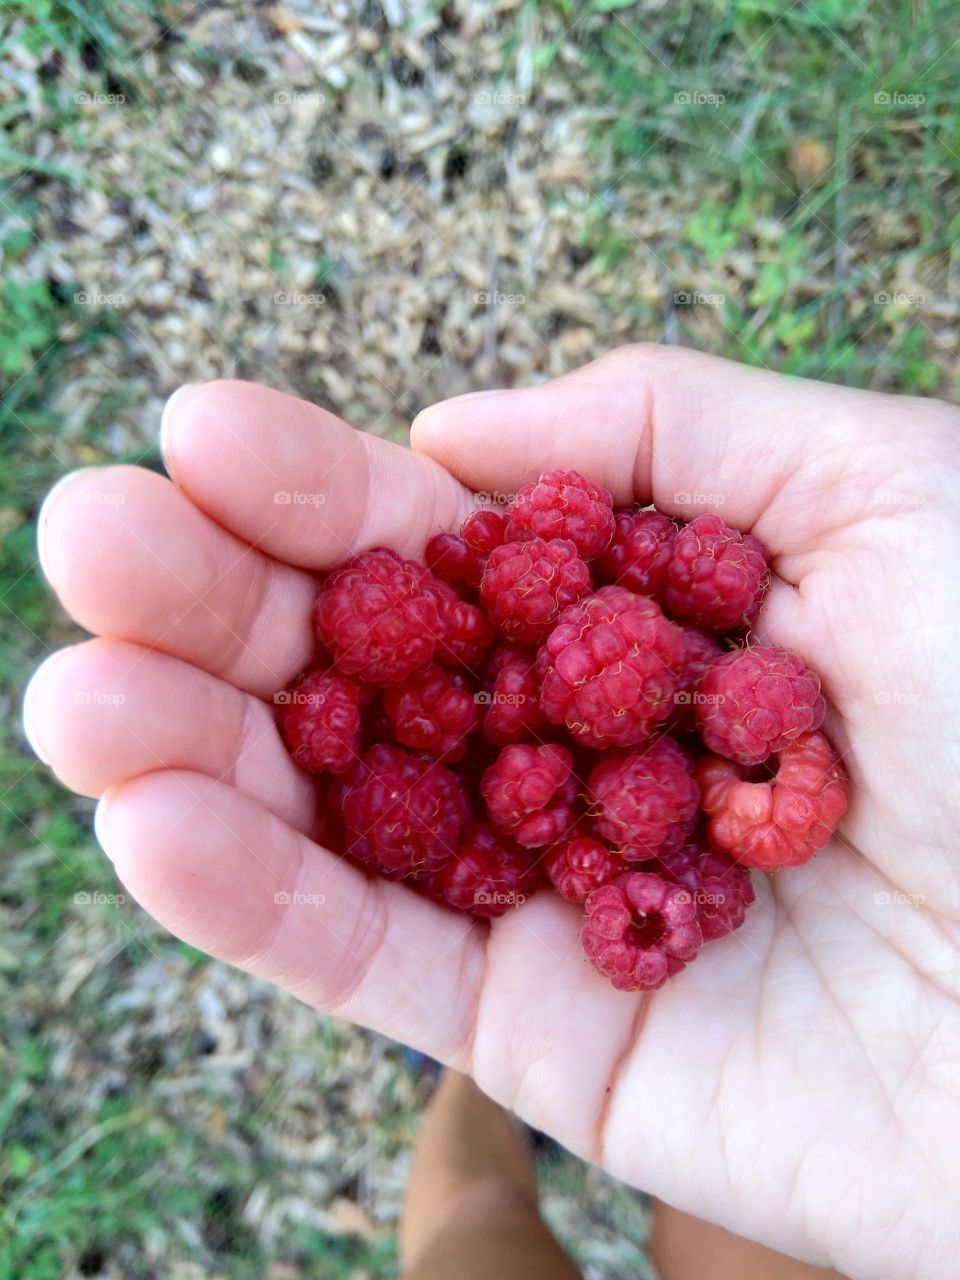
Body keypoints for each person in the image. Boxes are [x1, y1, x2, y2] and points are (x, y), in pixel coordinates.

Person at [23, 346, 960, 1279]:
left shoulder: (648, 723)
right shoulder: (515, 701)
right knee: (736, 1240)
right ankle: (492, 1102)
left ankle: (477, 1104)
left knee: (471, 1239)